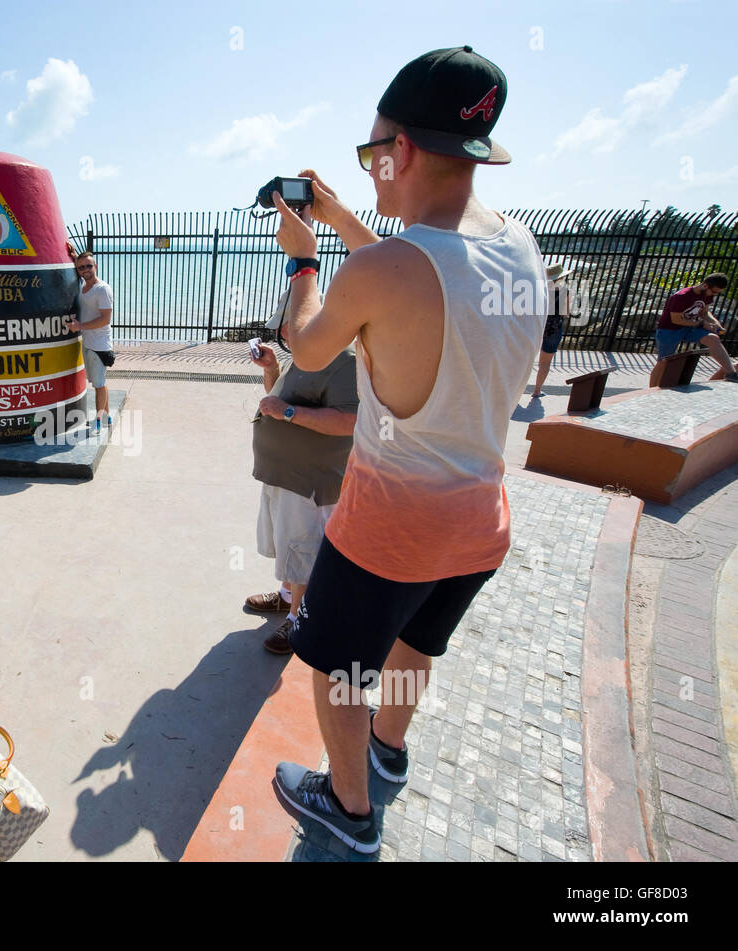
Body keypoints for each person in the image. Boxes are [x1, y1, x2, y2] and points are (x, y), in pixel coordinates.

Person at [268, 46, 546, 853]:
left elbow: (307, 346)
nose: (373, 168)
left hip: (390, 527)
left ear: (405, 152)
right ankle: (388, 754)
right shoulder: (519, 247)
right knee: (415, 643)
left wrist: (305, 256)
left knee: (336, 666)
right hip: (479, 522)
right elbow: (424, 260)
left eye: (374, 151)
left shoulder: (385, 267)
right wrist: (346, 221)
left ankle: (349, 810)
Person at [246, 296, 358, 654]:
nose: (280, 333)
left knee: (303, 548)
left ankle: (299, 619)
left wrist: (288, 411)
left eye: (288, 327)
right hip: (283, 475)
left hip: (309, 482)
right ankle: (286, 596)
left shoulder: (344, 362)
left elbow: (348, 421)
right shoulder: (304, 359)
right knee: (287, 543)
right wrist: (272, 371)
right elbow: (278, 399)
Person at [648, 273, 737, 386]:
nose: (714, 295)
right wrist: (702, 324)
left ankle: (731, 373)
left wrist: (715, 323)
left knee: (713, 339)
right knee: (664, 362)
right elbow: (676, 319)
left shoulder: (708, 295)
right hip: (669, 330)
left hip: (690, 327)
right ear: (705, 286)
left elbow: (704, 312)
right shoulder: (682, 296)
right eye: (714, 292)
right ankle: (651, 389)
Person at [67, 252, 113, 429]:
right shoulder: (83, 287)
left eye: (89, 266)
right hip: (88, 343)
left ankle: (98, 421)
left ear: (96, 267)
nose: (85, 270)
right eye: (81, 267)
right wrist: (73, 254)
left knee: (99, 385)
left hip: (100, 345)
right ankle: (107, 417)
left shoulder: (102, 289)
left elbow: (105, 319)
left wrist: (80, 327)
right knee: (99, 383)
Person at [530, 263, 573, 399]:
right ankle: (537, 391)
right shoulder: (564, 290)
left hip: (536, 326)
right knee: (545, 362)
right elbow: (565, 313)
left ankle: (517, 389)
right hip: (553, 328)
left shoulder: (539, 290)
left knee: (526, 359)